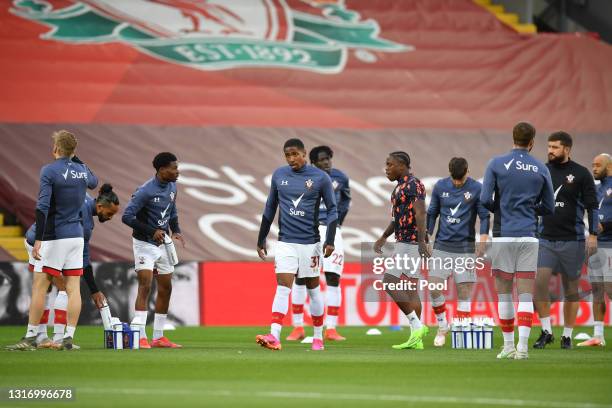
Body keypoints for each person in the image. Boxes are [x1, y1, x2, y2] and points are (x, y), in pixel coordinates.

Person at [6, 130, 98, 351]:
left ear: (55, 149)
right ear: (73, 151)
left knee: (40, 286)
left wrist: (38, 239)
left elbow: (42, 206)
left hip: (55, 236)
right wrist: (76, 158)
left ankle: (30, 338)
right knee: (73, 288)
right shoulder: (82, 170)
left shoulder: (49, 170)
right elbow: (94, 182)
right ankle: (67, 339)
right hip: (77, 236)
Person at [480, 122, 555, 360]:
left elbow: (484, 200)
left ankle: (509, 345)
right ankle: (523, 349)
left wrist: (501, 209)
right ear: (532, 142)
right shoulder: (541, 167)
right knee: (524, 294)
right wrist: (531, 211)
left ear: (513, 137)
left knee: (504, 294)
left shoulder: (496, 163)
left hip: (503, 236)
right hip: (529, 236)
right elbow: (549, 207)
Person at [255, 138, 338, 351]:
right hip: (286, 242)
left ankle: (318, 337)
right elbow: (270, 207)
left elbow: (332, 210)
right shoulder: (279, 175)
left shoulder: (321, 178)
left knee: (313, 290)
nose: (291, 159)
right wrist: (261, 237)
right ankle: (274, 335)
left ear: (304, 153)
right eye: (287, 155)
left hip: (310, 243)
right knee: (283, 287)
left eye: (295, 154)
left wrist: (329, 240)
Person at [24, 184, 120, 349]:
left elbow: (84, 257)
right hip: (43, 243)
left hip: (44, 240)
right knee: (59, 286)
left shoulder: (84, 203)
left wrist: (94, 290)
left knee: (53, 287)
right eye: (109, 213)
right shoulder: (84, 218)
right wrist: (94, 290)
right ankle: (54, 337)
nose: (110, 217)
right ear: (99, 206)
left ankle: (48, 336)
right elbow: (83, 256)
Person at [533, 132, 598, 350]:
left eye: (555, 147)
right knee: (539, 286)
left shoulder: (581, 174)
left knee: (571, 290)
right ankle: (546, 331)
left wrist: (593, 235)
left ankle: (567, 336)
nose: (550, 150)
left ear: (567, 149)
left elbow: (592, 206)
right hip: (546, 239)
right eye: (549, 146)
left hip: (573, 239)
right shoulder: (542, 170)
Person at [287, 145, 351, 342]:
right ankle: (298, 327)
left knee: (333, 277)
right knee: (300, 277)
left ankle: (331, 329)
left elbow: (345, 202)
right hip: (309, 231)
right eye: (322, 160)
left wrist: (337, 223)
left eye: (328, 159)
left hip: (332, 231)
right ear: (313, 162)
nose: (326, 163)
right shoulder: (306, 177)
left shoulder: (340, 178)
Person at [122, 152, 185, 349]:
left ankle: (158, 337)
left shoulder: (173, 187)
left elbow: (172, 211)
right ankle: (140, 336)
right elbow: (127, 216)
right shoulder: (145, 191)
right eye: (174, 168)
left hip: (163, 243)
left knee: (166, 287)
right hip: (144, 244)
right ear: (161, 170)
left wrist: (176, 230)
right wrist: (151, 230)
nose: (177, 171)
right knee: (145, 285)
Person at [426, 157, 489, 347]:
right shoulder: (440, 186)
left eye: (460, 180)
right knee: (433, 287)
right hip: (442, 247)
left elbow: (484, 216)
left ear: (467, 172)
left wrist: (483, 239)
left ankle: (460, 333)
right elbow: (432, 214)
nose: (457, 183)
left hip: (465, 248)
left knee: (464, 292)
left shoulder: (477, 188)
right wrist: (427, 237)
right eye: (455, 180)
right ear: (449, 173)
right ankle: (443, 325)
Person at [374, 151, 430, 350]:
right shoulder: (399, 188)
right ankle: (417, 339)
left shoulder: (413, 184)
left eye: (390, 164)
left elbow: (421, 212)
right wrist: (384, 236)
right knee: (410, 289)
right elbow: (396, 218)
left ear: (402, 165)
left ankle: (417, 326)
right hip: (404, 240)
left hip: (411, 243)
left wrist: (422, 240)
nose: (386, 168)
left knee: (389, 282)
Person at [579, 153, 612, 347]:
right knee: (597, 290)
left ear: (609, 166)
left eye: (598, 165)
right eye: (592, 165)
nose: (594, 169)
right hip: (595, 243)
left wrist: (605, 226)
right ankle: (598, 336)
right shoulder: (596, 190)